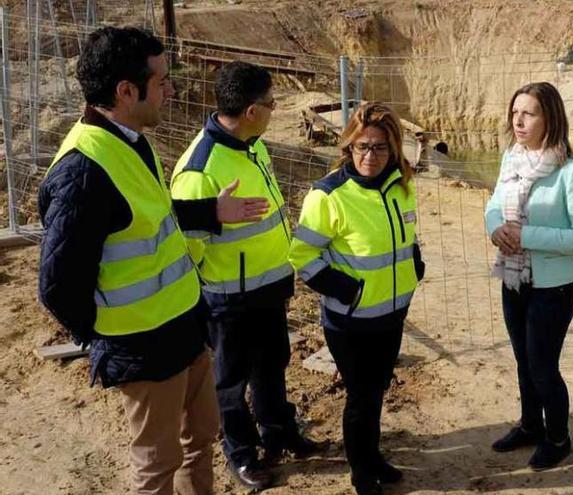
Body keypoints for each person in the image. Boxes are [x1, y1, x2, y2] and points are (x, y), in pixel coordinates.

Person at [38, 27, 269, 495]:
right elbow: (58, 286)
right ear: (126, 91)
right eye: (161, 81)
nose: (171, 89)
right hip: (143, 350)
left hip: (184, 328)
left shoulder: (130, 139)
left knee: (199, 441)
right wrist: (106, 342)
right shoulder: (83, 173)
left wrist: (208, 213)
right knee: (157, 467)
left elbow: (145, 217)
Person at [170, 61, 322, 491]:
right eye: (272, 104)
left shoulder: (251, 144)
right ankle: (241, 454)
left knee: (273, 365)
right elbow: (185, 246)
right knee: (231, 382)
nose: (276, 111)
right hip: (229, 300)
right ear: (252, 110)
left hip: (269, 286)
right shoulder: (200, 168)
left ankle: (280, 433)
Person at [289, 101, 425, 495]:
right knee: (361, 398)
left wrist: (414, 264)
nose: (370, 156)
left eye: (380, 147)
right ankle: (361, 470)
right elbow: (302, 257)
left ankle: (374, 456)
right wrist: (348, 290)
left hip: (392, 314)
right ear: (348, 146)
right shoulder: (328, 195)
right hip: (350, 321)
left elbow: (407, 236)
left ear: (394, 148)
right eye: (361, 146)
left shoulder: (402, 186)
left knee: (377, 389)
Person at [484, 81, 573, 471]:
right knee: (522, 359)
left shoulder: (572, 172)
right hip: (514, 280)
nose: (518, 120)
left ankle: (558, 437)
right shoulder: (510, 159)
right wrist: (496, 228)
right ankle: (531, 425)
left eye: (528, 113)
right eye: (515, 112)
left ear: (550, 117)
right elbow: (494, 206)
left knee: (542, 366)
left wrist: (525, 236)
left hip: (553, 287)